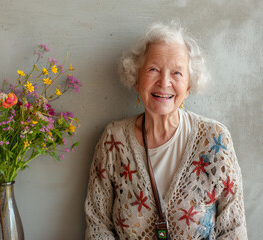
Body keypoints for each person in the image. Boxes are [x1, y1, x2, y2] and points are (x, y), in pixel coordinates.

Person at [84, 22, 248, 239]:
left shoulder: (214, 139)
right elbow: (98, 225)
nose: (164, 82)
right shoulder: (115, 140)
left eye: (177, 73)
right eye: (153, 69)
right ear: (136, 79)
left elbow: (233, 229)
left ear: (188, 87)